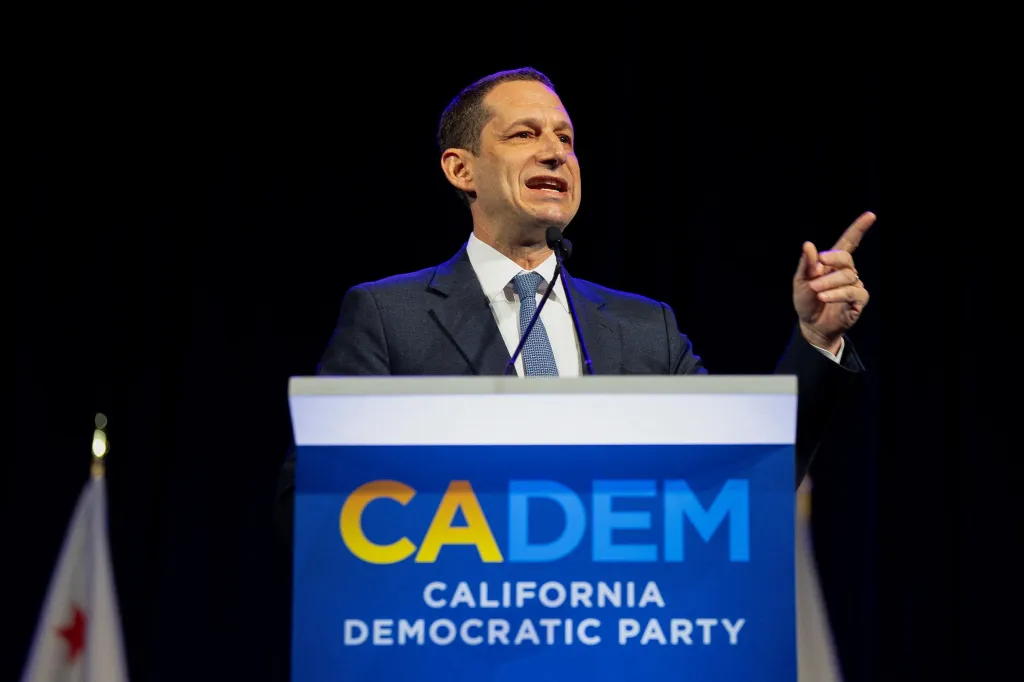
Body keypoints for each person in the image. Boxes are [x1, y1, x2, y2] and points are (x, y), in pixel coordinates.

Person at [273, 67, 872, 546]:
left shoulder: (645, 329)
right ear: (461, 169)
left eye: (565, 138)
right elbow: (312, 506)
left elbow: (747, 476)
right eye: (524, 134)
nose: (556, 153)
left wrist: (816, 340)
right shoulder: (388, 315)